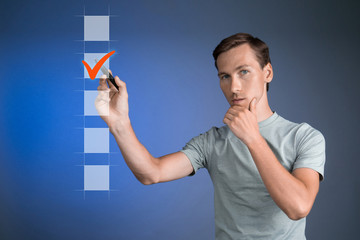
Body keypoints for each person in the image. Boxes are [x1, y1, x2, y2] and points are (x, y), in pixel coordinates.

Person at [95, 33, 326, 240]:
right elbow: (151, 173)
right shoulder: (212, 142)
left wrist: (253, 139)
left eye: (243, 72)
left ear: (267, 73)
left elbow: (298, 207)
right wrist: (119, 124)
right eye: (224, 76)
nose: (234, 86)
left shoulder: (304, 137)